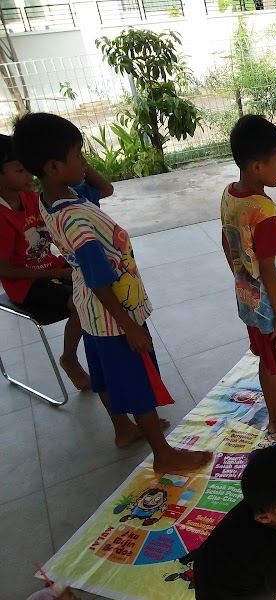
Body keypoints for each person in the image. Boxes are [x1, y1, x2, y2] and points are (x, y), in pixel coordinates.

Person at [13, 112, 211, 471]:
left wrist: (80, 168)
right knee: (136, 382)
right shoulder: (75, 218)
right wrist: (129, 326)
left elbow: (106, 189)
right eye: (78, 154)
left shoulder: (57, 197)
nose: (85, 161)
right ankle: (164, 455)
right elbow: (98, 279)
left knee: (105, 373)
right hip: (112, 313)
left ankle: (124, 429)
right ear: (55, 166)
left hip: (90, 312)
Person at [0, 134, 114, 390]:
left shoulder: (33, 197)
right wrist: (57, 272)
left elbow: (104, 189)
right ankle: (69, 358)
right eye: (20, 170)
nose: (29, 175)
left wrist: (79, 160)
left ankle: (105, 357)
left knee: (102, 289)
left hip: (53, 267)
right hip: (25, 285)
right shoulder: (2, 217)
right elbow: (5, 269)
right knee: (82, 302)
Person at [221, 115, 276, 441]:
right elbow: (269, 269)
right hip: (271, 307)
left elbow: (226, 240)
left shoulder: (230, 194)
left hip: (249, 298)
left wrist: (241, 279)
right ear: (257, 166)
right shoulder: (263, 211)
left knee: (267, 360)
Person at [189, 446, 276, 599]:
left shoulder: (257, 505)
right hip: (229, 594)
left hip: (208, 572)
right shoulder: (271, 549)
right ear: (264, 518)